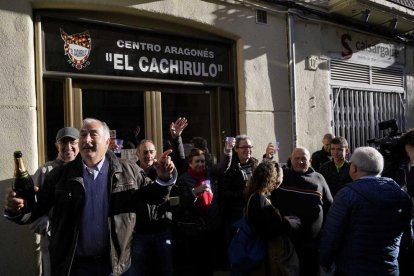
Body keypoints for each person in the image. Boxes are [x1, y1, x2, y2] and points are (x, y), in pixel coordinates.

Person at [4, 118, 177, 276]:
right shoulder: (60, 175)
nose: (86, 140)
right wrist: (18, 209)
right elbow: (36, 208)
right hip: (76, 266)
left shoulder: (129, 171)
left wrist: (163, 178)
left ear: (107, 142)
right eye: (83, 135)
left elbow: (154, 197)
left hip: (117, 266)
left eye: (93, 134)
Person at [319, 146, 413, 276]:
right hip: (389, 269)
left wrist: (324, 262)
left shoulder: (346, 195)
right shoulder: (401, 195)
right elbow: (408, 236)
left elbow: (332, 234)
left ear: (354, 168)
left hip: (352, 269)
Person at [129, 118, 187, 276]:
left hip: (162, 231)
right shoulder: (131, 174)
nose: (148, 155)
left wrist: (176, 139)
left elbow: (181, 165)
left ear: (156, 153)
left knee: (166, 270)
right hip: (140, 233)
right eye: (145, 152)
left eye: (151, 152)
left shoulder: (162, 170)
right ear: (138, 154)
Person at [271, 147, 333, 276]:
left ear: (310, 161)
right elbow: (265, 185)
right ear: (290, 160)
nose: (300, 162)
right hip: (287, 242)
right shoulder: (283, 176)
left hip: (312, 243)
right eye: (297, 158)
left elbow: (330, 207)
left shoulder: (319, 178)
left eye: (303, 159)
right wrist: (268, 157)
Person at [177, 141, 234, 276]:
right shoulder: (184, 179)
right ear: (190, 163)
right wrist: (195, 192)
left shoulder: (209, 173)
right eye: (197, 162)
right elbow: (184, 202)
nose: (200, 164)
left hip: (213, 225)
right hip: (196, 228)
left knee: (215, 263)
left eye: (202, 161)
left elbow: (223, 167)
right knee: (200, 265)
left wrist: (227, 150)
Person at [30, 127, 80, 276]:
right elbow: (33, 209)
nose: (68, 147)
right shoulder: (45, 172)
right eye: (63, 143)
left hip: (80, 243)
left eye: (72, 142)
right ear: (57, 146)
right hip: (54, 244)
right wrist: (45, 224)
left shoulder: (85, 170)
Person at [244, 161, 301, 275]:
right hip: (264, 256)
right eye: (280, 176)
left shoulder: (260, 195)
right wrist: (287, 224)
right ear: (272, 177)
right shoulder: (258, 198)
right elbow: (265, 230)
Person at [220, 135, 259, 227]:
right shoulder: (229, 168)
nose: (248, 149)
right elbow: (223, 193)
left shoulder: (255, 164)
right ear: (236, 149)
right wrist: (242, 193)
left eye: (249, 147)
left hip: (254, 212)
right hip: (237, 216)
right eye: (244, 147)